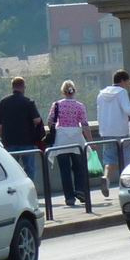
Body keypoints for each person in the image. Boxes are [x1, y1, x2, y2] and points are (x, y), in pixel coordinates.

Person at [48, 80, 91, 208]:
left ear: (63, 92)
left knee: (64, 170)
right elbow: (85, 125)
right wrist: (90, 141)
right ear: (74, 91)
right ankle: (80, 190)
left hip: (62, 139)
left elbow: (50, 121)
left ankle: (69, 198)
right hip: (76, 138)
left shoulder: (56, 105)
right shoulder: (80, 106)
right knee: (79, 167)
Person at [0, 77, 43, 180]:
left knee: (11, 170)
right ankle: (29, 191)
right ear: (23, 87)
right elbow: (37, 120)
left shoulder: (3, 102)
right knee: (29, 169)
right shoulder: (28, 102)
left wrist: (3, 136)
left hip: (9, 142)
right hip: (27, 142)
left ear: (12, 87)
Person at [96, 69, 130, 195]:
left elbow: (99, 115)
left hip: (106, 132)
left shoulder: (101, 94)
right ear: (122, 81)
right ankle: (126, 186)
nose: (128, 84)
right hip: (121, 131)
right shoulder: (122, 92)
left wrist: (102, 130)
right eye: (127, 82)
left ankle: (106, 178)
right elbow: (128, 110)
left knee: (109, 160)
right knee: (126, 160)